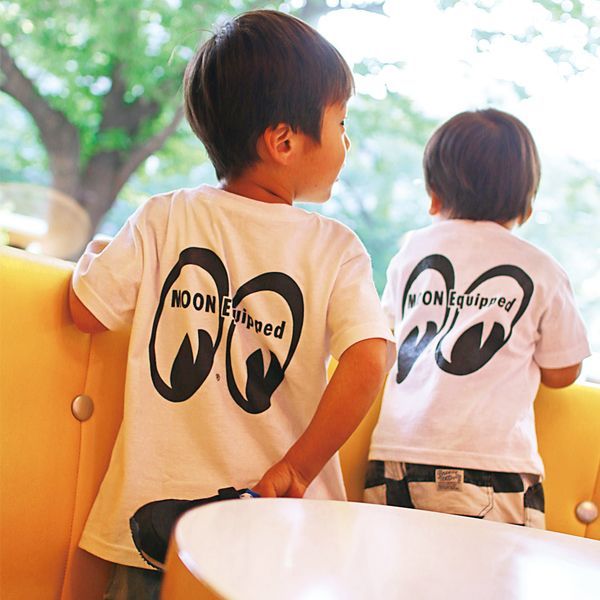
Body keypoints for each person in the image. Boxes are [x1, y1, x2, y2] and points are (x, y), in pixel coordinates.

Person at [68, 9, 394, 598]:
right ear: (284, 141)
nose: (347, 140)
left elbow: (87, 311)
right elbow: (370, 357)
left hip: (155, 533)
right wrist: (296, 468)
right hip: (282, 534)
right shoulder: (335, 248)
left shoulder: (163, 216)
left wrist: (98, 252)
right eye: (342, 122)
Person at [364, 108, 591, 528]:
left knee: (395, 567)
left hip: (394, 453)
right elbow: (563, 372)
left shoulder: (411, 254)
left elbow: (388, 337)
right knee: (494, 570)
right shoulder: (541, 268)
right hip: (490, 463)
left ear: (434, 194)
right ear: (527, 203)